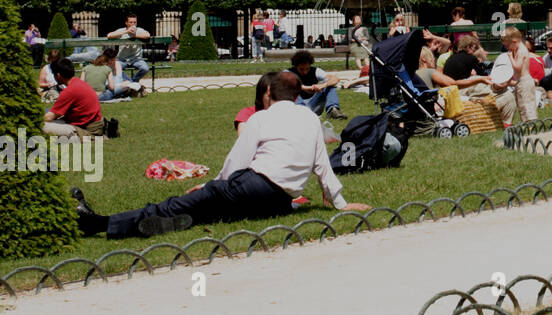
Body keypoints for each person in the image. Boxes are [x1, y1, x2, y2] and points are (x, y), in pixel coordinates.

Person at [70, 71, 370, 239]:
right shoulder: (310, 120)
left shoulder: (260, 119)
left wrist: (211, 183)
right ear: (296, 95)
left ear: (269, 94)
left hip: (253, 186)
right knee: (210, 211)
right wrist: (341, 203)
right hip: (279, 202)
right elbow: (321, 168)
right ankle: (176, 222)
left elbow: (236, 162)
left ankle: (97, 223)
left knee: (178, 202)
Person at [43, 58, 105, 136]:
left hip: (85, 130)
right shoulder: (78, 83)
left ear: (58, 76)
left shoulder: (70, 90)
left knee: (42, 126)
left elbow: (49, 117)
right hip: (93, 125)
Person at [487, 27, 536, 126]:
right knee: (521, 105)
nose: (508, 48)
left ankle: (531, 124)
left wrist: (510, 57)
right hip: (520, 81)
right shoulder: (517, 49)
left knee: (527, 105)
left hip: (525, 81)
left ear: (514, 41)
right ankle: (526, 123)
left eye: (508, 45)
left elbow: (517, 67)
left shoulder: (521, 51)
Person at [288, 49, 343, 120]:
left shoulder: (316, 71)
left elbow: (335, 79)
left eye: (307, 69)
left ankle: (333, 110)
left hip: (314, 104)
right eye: (301, 69)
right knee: (290, 89)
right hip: (297, 106)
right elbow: (282, 84)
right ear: (295, 66)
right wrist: (305, 88)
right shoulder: (288, 73)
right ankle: (301, 113)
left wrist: (323, 85)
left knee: (330, 86)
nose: (305, 72)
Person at [105, 13, 151, 80]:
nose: (133, 24)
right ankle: (130, 83)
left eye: (135, 22)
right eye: (131, 22)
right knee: (115, 68)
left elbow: (147, 35)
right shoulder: (122, 30)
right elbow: (109, 35)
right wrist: (126, 32)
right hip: (122, 59)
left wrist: (134, 36)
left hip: (136, 59)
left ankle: (133, 81)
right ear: (126, 23)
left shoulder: (139, 30)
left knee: (145, 68)